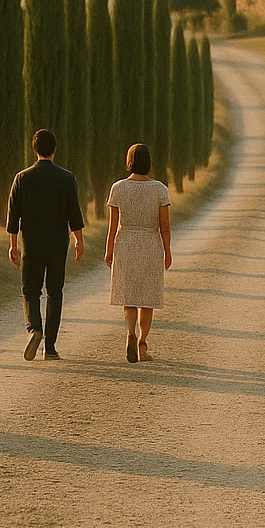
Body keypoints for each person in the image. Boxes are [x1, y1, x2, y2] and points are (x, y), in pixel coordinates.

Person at [6, 128, 85, 361]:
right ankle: (49, 347)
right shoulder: (66, 178)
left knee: (30, 291)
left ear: (34, 149)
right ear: (54, 150)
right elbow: (74, 213)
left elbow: (13, 218)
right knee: (55, 292)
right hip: (57, 245)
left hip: (31, 244)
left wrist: (13, 245)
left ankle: (34, 329)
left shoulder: (22, 178)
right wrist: (79, 240)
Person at [104, 142, 172, 363]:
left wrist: (109, 250)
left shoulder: (118, 188)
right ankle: (142, 343)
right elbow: (165, 226)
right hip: (151, 243)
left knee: (129, 295)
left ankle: (130, 332)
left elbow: (113, 226)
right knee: (148, 298)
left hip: (126, 242)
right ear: (149, 162)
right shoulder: (160, 190)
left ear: (129, 161)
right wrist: (168, 251)